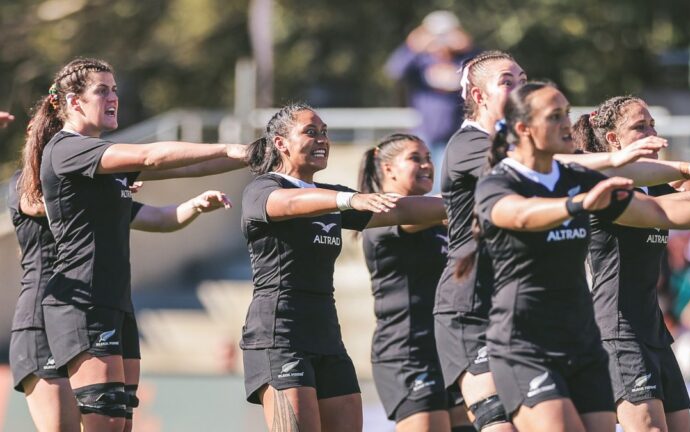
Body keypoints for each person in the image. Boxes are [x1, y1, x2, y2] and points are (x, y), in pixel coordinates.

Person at [433, 49, 690, 432]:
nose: (566, 121)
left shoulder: (570, 176)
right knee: (498, 423)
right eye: (507, 81)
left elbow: (660, 209)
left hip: (564, 322)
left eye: (565, 112)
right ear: (523, 126)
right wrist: (585, 195)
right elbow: (517, 211)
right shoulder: (486, 159)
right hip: (477, 309)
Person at [31, 57, 248, 432]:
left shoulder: (103, 170)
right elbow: (152, 155)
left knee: (121, 424)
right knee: (107, 423)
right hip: (83, 304)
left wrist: (248, 158)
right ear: (73, 102)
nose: (113, 97)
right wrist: (229, 148)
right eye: (102, 90)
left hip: (117, 303)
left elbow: (177, 173)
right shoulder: (67, 149)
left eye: (115, 89)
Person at [241, 103, 447, 432]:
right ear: (281, 143)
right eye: (311, 132)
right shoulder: (264, 188)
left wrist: (479, 199)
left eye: (324, 132)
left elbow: (404, 210)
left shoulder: (332, 197)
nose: (322, 139)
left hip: (327, 335)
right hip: (279, 334)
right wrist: (348, 200)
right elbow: (287, 204)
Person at [572, 95, 690, 432]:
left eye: (652, 125)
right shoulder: (607, 188)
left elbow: (680, 198)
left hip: (654, 332)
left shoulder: (653, 187)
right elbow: (680, 213)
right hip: (618, 332)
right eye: (639, 127)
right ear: (613, 141)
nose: (652, 133)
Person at [8, 168, 230, 432]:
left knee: (116, 425)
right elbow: (51, 205)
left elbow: (159, 218)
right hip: (43, 319)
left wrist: (195, 205)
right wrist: (107, 188)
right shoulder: (27, 180)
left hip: (97, 313)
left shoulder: (100, 192)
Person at [358, 133, 473, 432]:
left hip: (448, 348)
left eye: (428, 158)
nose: (426, 165)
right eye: (414, 158)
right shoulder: (382, 213)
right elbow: (431, 209)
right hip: (407, 354)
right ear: (387, 169)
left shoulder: (435, 219)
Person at [385, 10, 474, 190]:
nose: (441, 41)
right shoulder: (420, 62)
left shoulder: (462, 61)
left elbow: (482, 71)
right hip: (425, 133)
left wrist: (468, 48)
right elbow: (394, 70)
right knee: (424, 180)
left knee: (450, 180)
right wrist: (411, 46)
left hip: (456, 133)